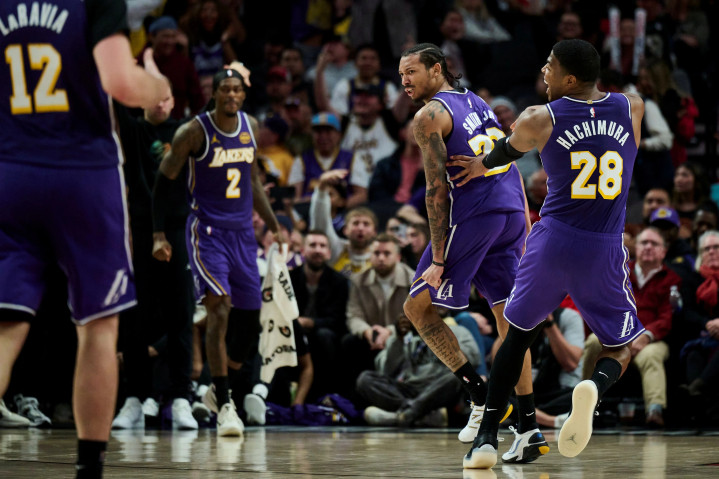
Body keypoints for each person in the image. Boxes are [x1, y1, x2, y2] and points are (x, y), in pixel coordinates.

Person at [452, 39, 645, 469]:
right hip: (604, 245)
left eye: (550, 65)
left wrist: (480, 165)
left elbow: (506, 152)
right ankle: (593, 387)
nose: (543, 70)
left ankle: (485, 440)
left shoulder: (540, 117)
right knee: (620, 348)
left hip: (554, 240)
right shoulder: (632, 106)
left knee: (516, 338)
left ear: (569, 79)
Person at [0, 1, 171, 477]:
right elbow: (120, 81)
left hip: (10, 172)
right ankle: (89, 469)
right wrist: (158, 87)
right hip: (82, 175)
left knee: (6, 325)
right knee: (97, 325)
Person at [397, 43, 542, 462]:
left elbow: (435, 190)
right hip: (510, 212)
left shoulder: (429, 115)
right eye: (401, 75)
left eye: (411, 72)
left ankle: (479, 396)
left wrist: (438, 259)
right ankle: (529, 428)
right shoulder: (476, 100)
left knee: (417, 308)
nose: (405, 82)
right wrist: (524, 221)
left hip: (476, 214)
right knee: (509, 320)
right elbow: (509, 158)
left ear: (436, 69)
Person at [151, 68, 283, 437]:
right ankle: (226, 404)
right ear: (214, 93)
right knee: (219, 308)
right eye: (225, 89)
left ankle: (216, 390)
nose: (231, 94)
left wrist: (273, 225)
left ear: (243, 94)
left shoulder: (250, 126)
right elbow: (163, 181)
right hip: (207, 233)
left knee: (249, 320)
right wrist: (158, 233)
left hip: (243, 234)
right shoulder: (193, 132)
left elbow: (253, 180)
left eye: (237, 89)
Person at [582, 227, 679, 427]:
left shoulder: (671, 279)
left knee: (651, 356)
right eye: (644, 243)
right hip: (619, 335)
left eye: (654, 243)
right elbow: (608, 306)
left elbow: (667, 317)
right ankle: (583, 402)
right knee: (592, 341)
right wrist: (621, 334)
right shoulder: (620, 272)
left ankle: (654, 410)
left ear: (663, 251)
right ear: (636, 247)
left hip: (651, 340)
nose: (648, 247)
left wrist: (646, 336)